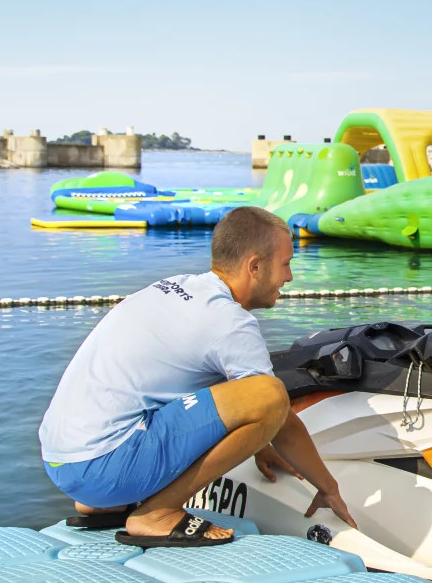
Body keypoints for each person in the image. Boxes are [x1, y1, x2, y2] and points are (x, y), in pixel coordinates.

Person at [38, 206, 354, 547]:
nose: (289, 277)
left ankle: (105, 505)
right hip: (105, 466)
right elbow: (278, 415)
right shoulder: (230, 322)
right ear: (255, 266)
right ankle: (157, 513)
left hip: (62, 461)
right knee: (269, 394)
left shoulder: (174, 287)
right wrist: (328, 486)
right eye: (286, 264)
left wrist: (257, 443)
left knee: (224, 385)